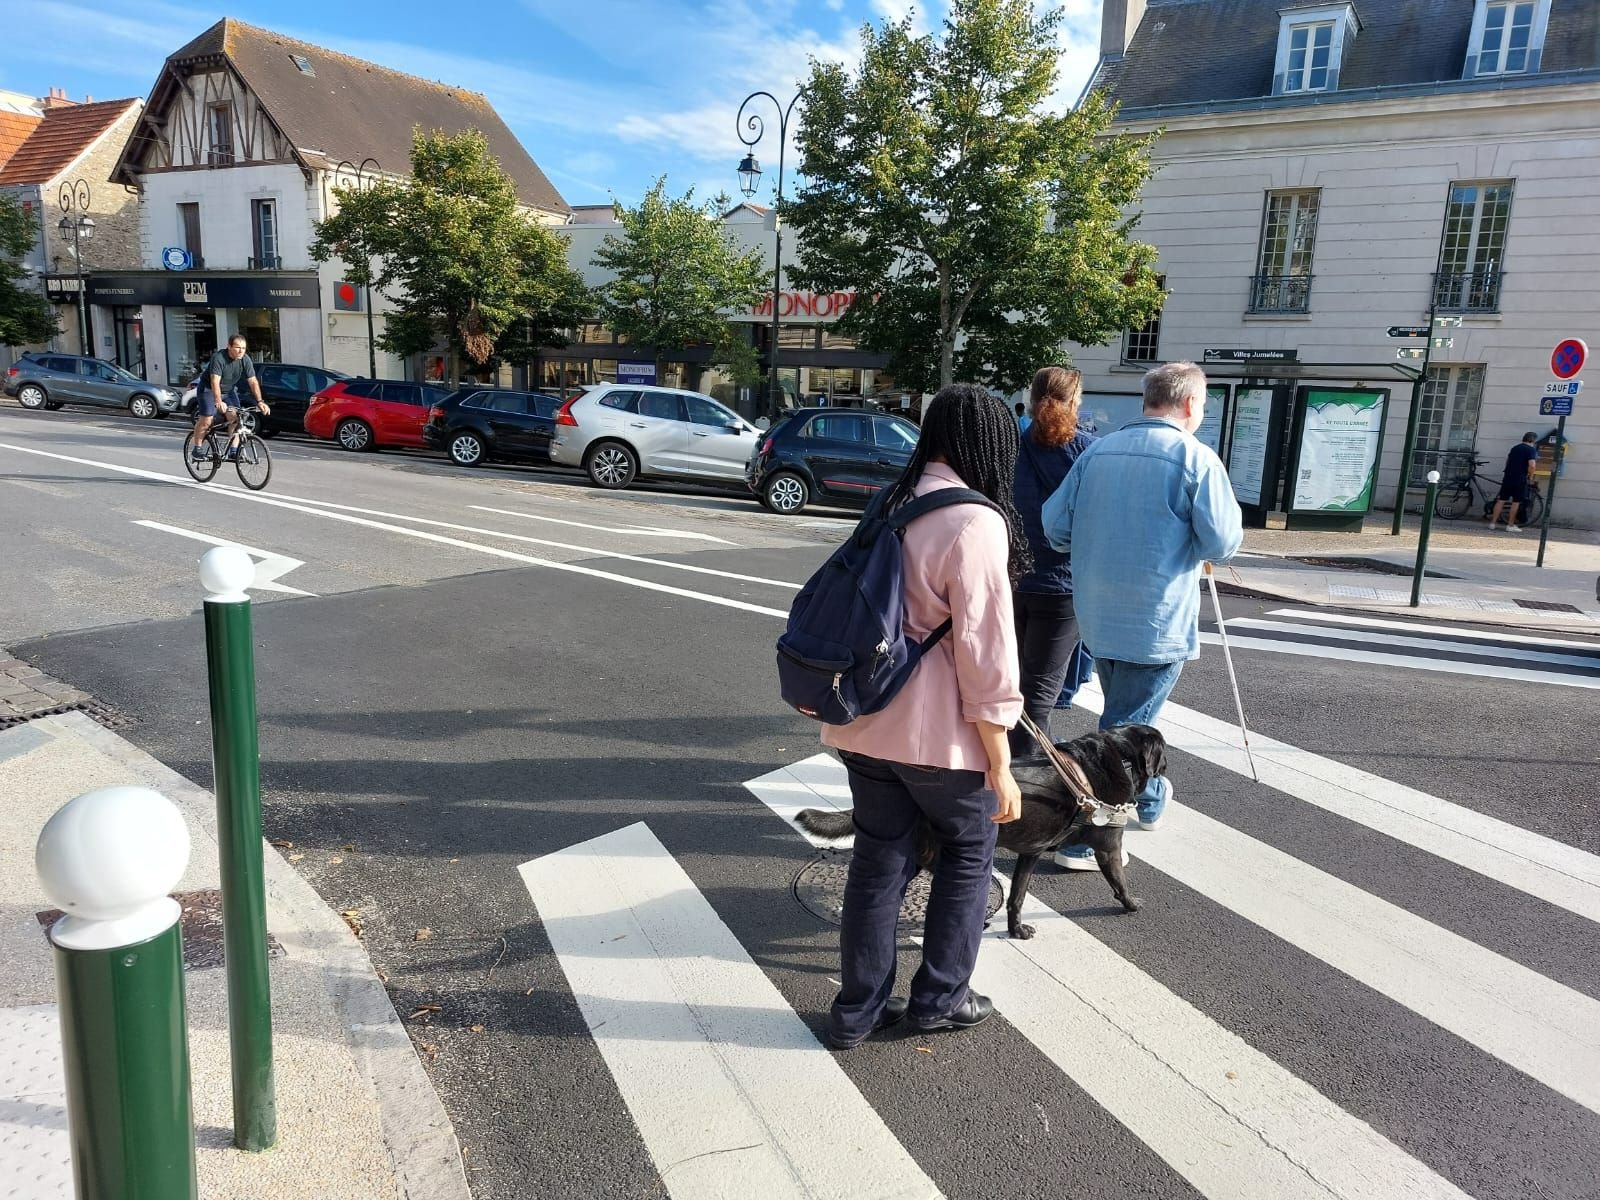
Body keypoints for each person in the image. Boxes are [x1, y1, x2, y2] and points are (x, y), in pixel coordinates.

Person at [821, 383, 1028, 1049]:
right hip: (940, 741)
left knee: (879, 861)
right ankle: (941, 997)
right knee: (969, 851)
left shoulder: (893, 501)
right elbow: (986, 652)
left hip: (864, 719)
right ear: (990, 444)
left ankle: (858, 1011)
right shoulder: (976, 522)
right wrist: (1001, 762)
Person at [1041, 361, 1242, 864]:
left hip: (1097, 615)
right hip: (1156, 619)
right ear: (1191, 404)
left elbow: (1055, 526)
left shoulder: (1097, 452)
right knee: (1124, 731)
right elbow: (1223, 541)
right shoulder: (1195, 459)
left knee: (1124, 717)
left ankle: (1149, 800)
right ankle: (1087, 834)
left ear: (1147, 398)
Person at [1008, 366, 1094, 760]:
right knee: (1038, 694)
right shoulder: (1088, 453)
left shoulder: (1009, 447)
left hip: (1010, 579)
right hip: (1061, 587)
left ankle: (1000, 765)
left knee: (1009, 684)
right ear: (1075, 402)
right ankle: (1022, 780)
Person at [193, 335, 268, 460]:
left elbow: (253, 381)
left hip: (228, 390)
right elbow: (214, 382)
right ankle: (197, 449)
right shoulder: (219, 358)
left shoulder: (245, 359)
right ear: (229, 346)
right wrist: (218, 401)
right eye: (238, 347)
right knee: (207, 420)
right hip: (208, 390)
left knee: (236, 418)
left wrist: (260, 401)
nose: (241, 351)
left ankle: (233, 451)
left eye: (243, 348)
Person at [1489, 432, 1539, 531]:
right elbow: (1532, 465)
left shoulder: (1515, 448)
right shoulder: (1531, 450)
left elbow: (1508, 460)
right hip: (1520, 479)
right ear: (1533, 440)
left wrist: (1507, 470)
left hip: (1508, 477)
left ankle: (1492, 523)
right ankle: (1510, 525)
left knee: (1501, 500)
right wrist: (1531, 476)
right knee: (1516, 502)